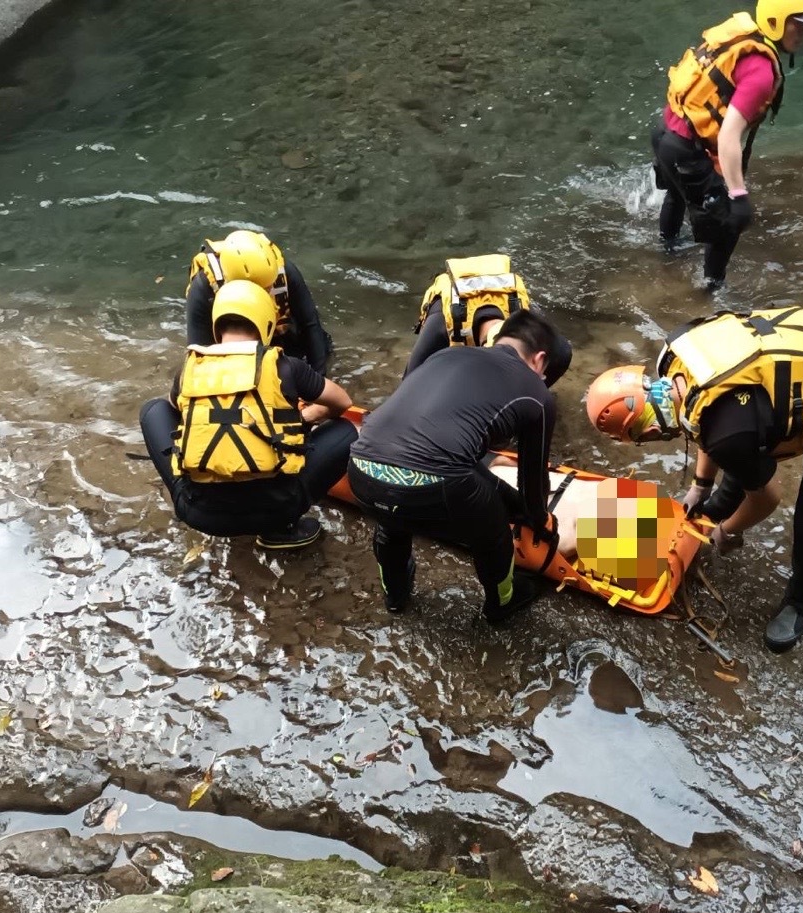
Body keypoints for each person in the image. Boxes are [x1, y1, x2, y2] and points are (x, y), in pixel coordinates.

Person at [586, 305, 803, 652]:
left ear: (648, 431)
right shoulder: (673, 358)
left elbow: (767, 497)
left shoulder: (725, 434)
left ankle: (799, 601)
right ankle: (719, 502)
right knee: (740, 448)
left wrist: (729, 531)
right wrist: (700, 486)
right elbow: (703, 411)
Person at [349, 308, 561, 623]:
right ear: (539, 359)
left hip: (361, 468)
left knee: (392, 520)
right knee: (493, 531)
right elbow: (532, 478)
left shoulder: (444, 356)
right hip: (435, 486)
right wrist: (539, 519)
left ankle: (395, 595)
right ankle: (503, 602)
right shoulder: (537, 393)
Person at [141, 279, 357, 549]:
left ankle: (189, 492)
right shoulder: (285, 366)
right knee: (346, 430)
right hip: (278, 508)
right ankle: (282, 531)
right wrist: (304, 418)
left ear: (216, 327)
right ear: (267, 324)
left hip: (201, 514)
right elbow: (342, 402)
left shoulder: (189, 369)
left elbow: (177, 413)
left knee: (153, 409)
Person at [653, 0, 803, 290]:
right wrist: (738, 195)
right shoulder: (760, 72)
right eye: (798, 24)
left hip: (664, 131)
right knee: (728, 224)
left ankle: (665, 253)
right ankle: (710, 291)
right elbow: (728, 137)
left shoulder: (740, 38)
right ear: (776, 21)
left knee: (676, 194)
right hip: (685, 148)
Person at [406, 254, 573, 387]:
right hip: (452, 312)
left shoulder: (524, 319)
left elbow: (564, 352)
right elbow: (408, 384)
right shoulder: (439, 326)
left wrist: (536, 387)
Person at [186, 230, 335, 375]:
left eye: (269, 286)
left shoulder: (284, 271)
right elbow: (199, 354)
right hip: (231, 344)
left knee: (318, 345)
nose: (267, 293)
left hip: (276, 333)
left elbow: (310, 324)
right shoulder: (204, 287)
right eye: (262, 289)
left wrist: (319, 378)